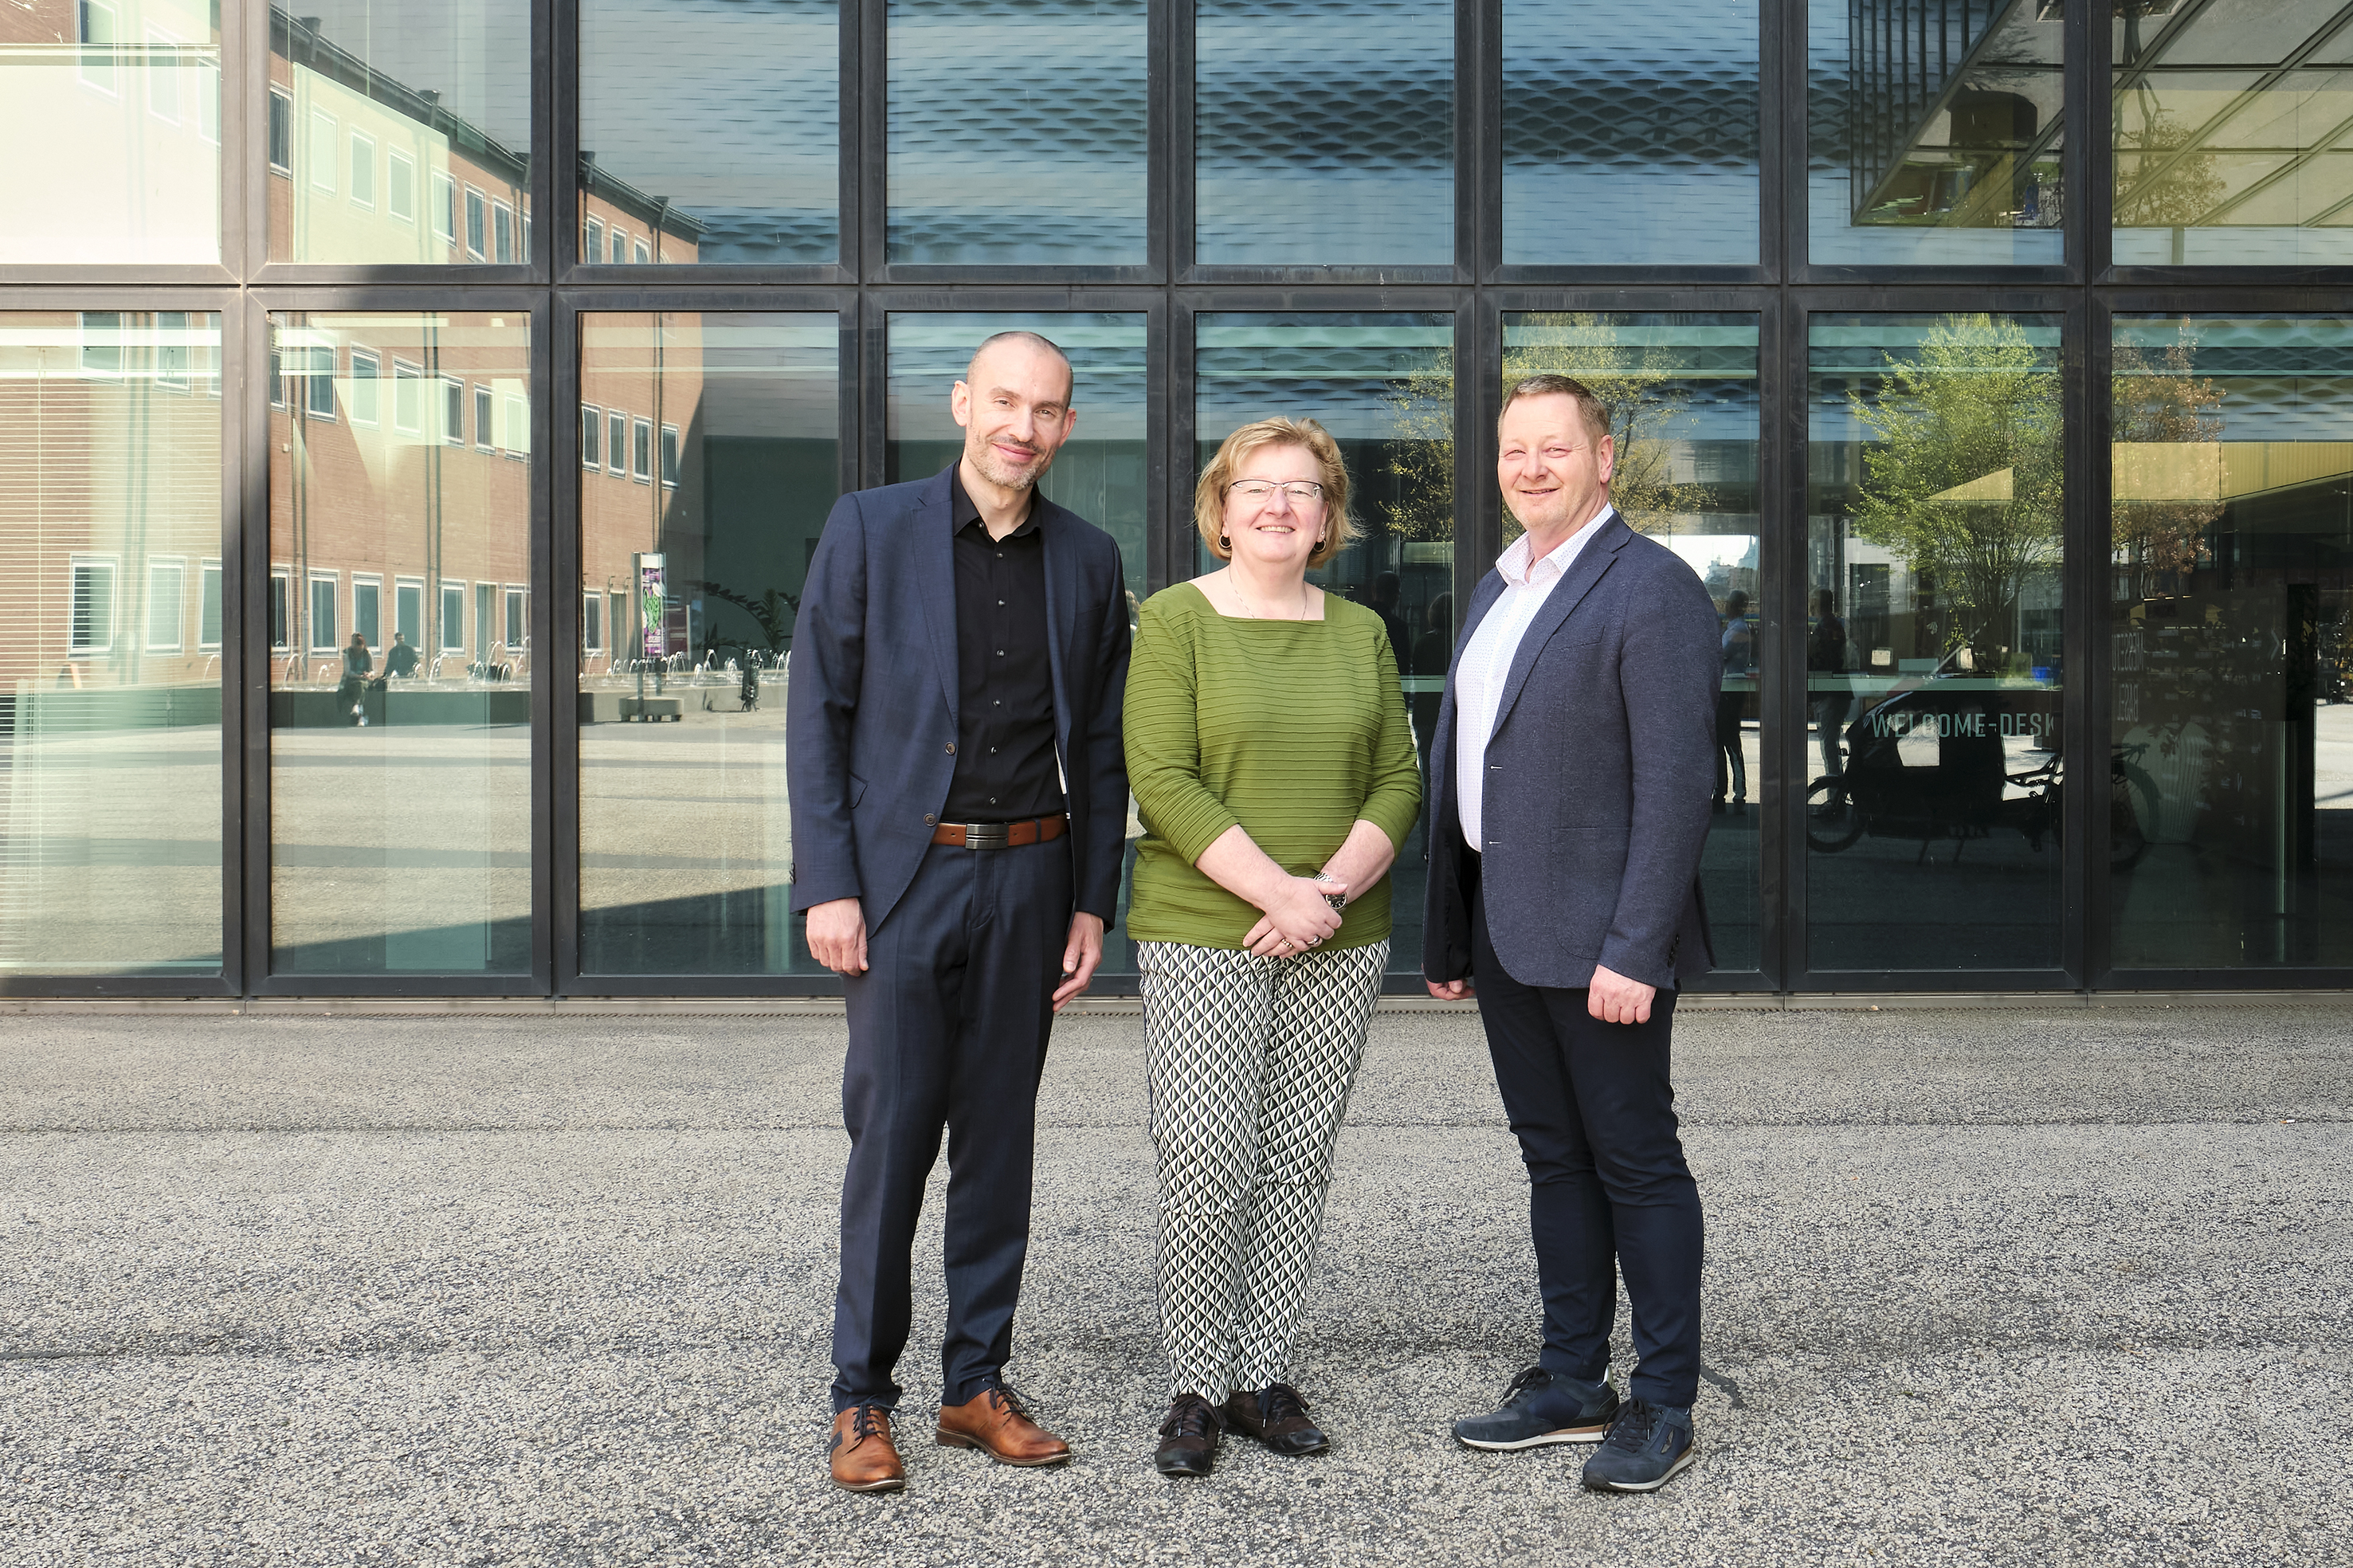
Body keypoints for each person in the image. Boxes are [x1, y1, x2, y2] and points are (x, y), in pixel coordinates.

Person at [786, 331, 1132, 1494]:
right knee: (891, 1141)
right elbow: (817, 719)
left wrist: (1093, 901)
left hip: (1032, 880)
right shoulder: (870, 527)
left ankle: (974, 1384)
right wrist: (828, 882)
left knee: (1000, 1144)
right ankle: (858, 1399)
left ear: (1066, 428)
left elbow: (1098, 744)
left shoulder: (1088, 558)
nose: (1020, 427)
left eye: (1045, 410)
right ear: (962, 405)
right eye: (1003, 402)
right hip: (901, 885)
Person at [1422, 374, 1719, 1493]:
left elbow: (1679, 786)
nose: (1531, 467)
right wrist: (1452, 933)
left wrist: (1635, 949)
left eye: (1555, 447)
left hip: (1603, 943)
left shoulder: (1651, 590)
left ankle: (1662, 1402)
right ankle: (1568, 1379)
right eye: (1514, 451)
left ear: (1604, 458)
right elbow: (1476, 763)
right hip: (1509, 932)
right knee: (1554, 1160)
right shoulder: (1501, 587)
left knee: (1636, 1165)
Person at [1124, 417, 1421, 1479]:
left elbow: (1398, 778)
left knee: (1295, 1162)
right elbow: (1161, 779)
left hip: (1340, 935)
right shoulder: (1173, 622)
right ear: (1219, 507)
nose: (1278, 505)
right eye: (1257, 487)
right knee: (1207, 1159)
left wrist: (1325, 893)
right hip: (1207, 931)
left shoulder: (1361, 632)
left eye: (1303, 490)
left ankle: (1261, 1375)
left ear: (1329, 517)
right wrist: (1276, 896)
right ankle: (1196, 1387)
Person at [1713, 590, 1754, 813]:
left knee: (1726, 742)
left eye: (1728, 603)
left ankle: (1730, 792)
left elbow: (1720, 654)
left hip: (1730, 691)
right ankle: (1732, 791)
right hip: (1730, 690)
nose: (1725, 607)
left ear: (1736, 607)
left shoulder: (1737, 629)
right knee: (1728, 742)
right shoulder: (1735, 628)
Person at [1808, 587, 1851, 782]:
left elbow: (1823, 659)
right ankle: (1835, 793)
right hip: (1829, 694)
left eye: (1813, 601)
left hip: (1829, 694)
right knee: (1830, 745)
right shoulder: (1829, 625)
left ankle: (1835, 795)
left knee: (1829, 747)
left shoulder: (1827, 626)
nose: (1810, 605)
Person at [336, 632, 371, 725]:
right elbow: (348, 672)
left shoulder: (367, 653)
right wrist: (359, 676)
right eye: (356, 648)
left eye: (360, 649)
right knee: (360, 686)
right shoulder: (347, 653)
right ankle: (361, 716)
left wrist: (369, 674)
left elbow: (373, 670)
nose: (358, 651)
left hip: (365, 680)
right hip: (351, 680)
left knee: (361, 685)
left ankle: (357, 709)